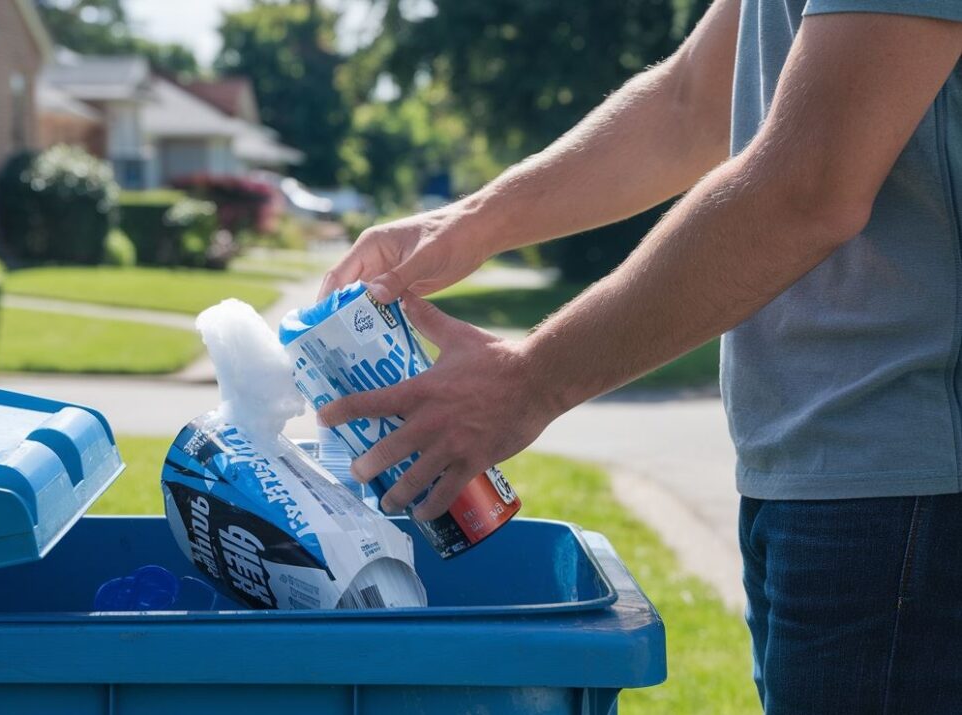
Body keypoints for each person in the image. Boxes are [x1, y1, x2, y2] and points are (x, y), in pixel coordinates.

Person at [317, 1, 962, 712]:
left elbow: (809, 185)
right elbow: (690, 102)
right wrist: (466, 223)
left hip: (913, 487)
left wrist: (529, 381)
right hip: (813, 474)